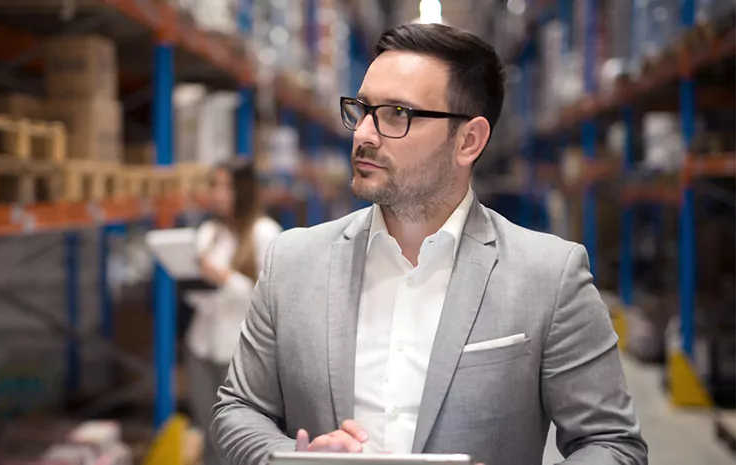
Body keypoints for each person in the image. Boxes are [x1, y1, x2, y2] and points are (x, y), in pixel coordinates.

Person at [210, 23, 648, 465]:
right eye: (361, 109)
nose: (363, 133)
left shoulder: (549, 277)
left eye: (396, 114)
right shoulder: (293, 262)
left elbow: (611, 443)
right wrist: (289, 457)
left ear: (468, 141)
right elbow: (238, 409)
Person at [184, 158, 283, 465]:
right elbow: (195, 297)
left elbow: (273, 301)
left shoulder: (266, 233)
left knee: (240, 441)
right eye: (215, 186)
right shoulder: (208, 232)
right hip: (201, 346)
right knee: (209, 434)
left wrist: (224, 278)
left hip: (242, 355)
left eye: (226, 186)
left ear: (244, 190)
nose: (218, 194)